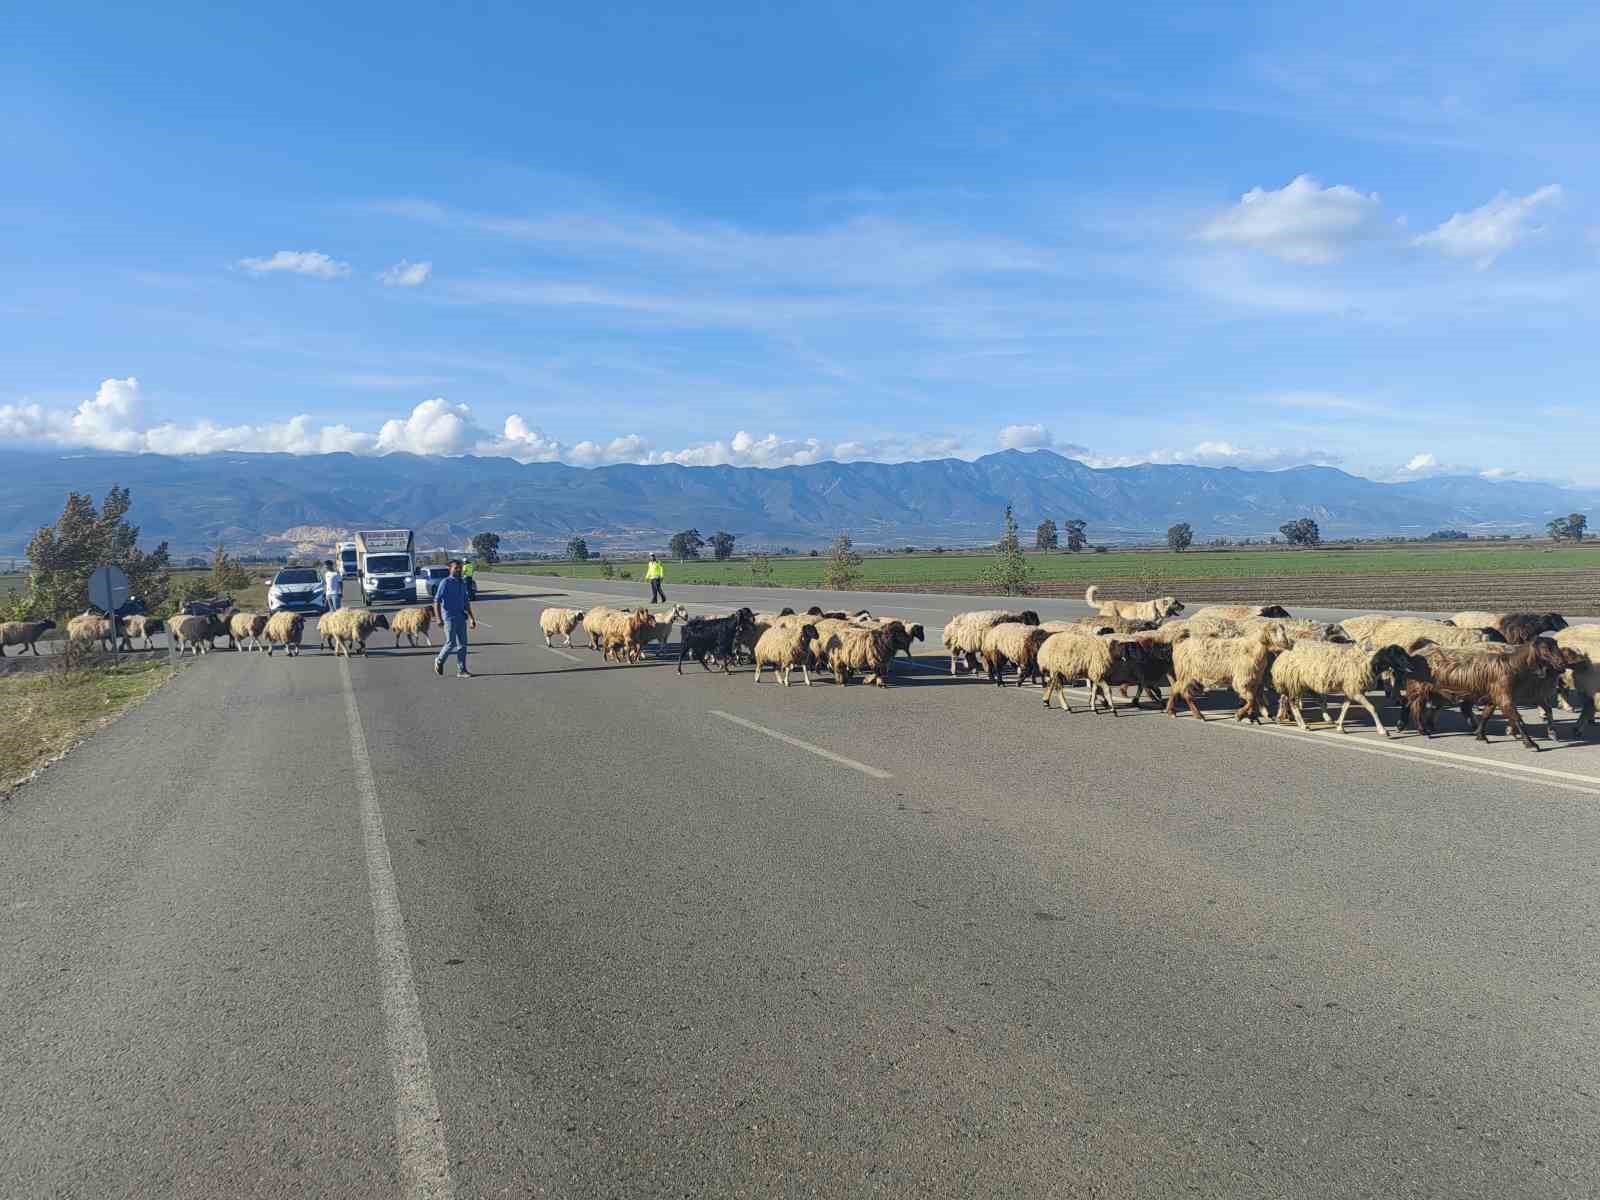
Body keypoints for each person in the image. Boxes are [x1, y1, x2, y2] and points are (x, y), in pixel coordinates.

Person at [432, 558, 477, 677]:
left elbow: (466, 602)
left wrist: (472, 618)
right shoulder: (445, 582)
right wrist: (438, 618)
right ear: (450, 569)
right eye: (456, 568)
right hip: (449, 617)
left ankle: (461, 670)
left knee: (462, 645)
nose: (458, 570)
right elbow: (436, 601)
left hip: (461, 617)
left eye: (460, 568)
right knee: (451, 643)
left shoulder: (462, 583)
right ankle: (439, 660)